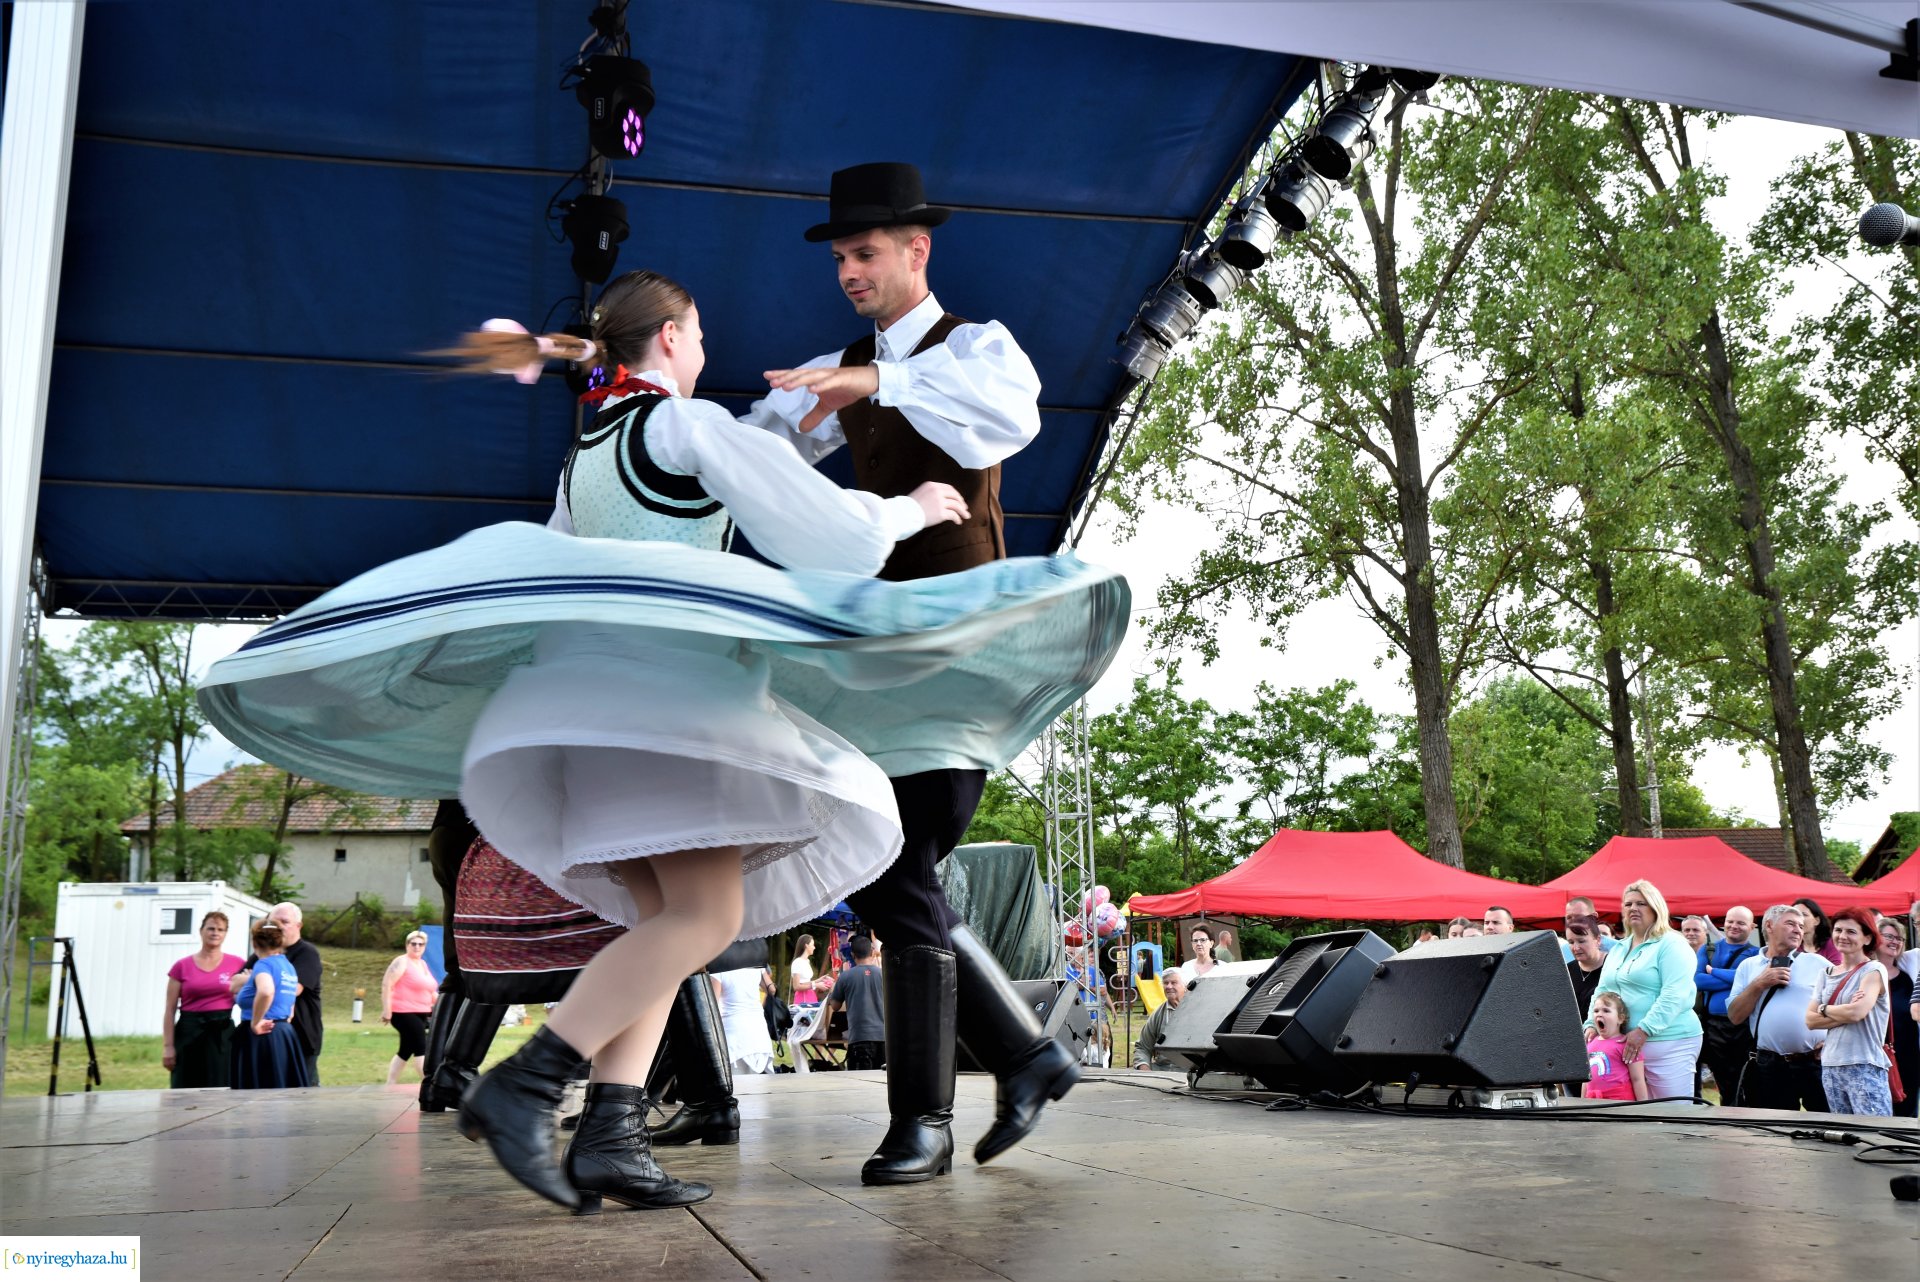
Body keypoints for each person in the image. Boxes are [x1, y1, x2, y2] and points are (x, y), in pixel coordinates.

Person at [198, 266, 1124, 1214]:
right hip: (668, 713)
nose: (707, 350)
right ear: (673, 337)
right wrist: (913, 508)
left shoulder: (586, 457)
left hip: (590, 720)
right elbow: (830, 537)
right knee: (705, 919)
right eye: (702, 335)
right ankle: (528, 1083)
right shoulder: (684, 426)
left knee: (659, 929)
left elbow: (564, 576)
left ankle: (611, 1130)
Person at [743, 161, 1090, 1183]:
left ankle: (938, 1114)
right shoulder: (839, 369)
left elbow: (1008, 416)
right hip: (881, 651)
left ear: (916, 250)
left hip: (962, 645)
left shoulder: (977, 351)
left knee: (896, 859)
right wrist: (656, 416)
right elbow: (752, 455)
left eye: (865, 253)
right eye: (840, 258)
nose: (848, 271)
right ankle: (1018, 1061)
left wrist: (881, 383)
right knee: (890, 866)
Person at [1583, 880, 1701, 1101]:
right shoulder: (1619, 948)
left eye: (1641, 903)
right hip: (1625, 1048)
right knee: (1633, 1113)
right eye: (1628, 904)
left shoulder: (1672, 944)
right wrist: (1591, 1023)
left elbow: (1674, 994)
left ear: (1656, 907)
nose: (1633, 908)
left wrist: (1644, 1030)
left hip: (1670, 1043)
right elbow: (1602, 991)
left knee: (1672, 1112)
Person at [1726, 904, 1827, 1111]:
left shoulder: (1817, 963)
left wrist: (1832, 1041)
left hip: (1814, 1063)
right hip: (1770, 1064)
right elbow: (1735, 1016)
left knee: (1827, 1122)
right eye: (1791, 924)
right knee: (1777, 1126)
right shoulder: (1748, 966)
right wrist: (1759, 983)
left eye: (1801, 926)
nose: (1798, 930)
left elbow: (1845, 1005)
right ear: (1770, 926)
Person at [1805, 906, 1892, 1116]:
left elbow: (1856, 1014)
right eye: (1838, 930)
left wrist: (1823, 1008)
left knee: (1874, 1129)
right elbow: (1810, 1020)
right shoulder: (1825, 973)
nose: (1842, 936)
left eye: (1851, 931)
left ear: (1867, 938)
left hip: (1864, 1063)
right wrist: (1844, 1011)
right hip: (1830, 1065)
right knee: (1844, 1130)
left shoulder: (1874, 969)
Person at [233, 902, 323, 1085]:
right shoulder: (261, 956)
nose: (279, 926)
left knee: (298, 1091)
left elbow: (292, 990)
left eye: (285, 921)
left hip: (300, 1035)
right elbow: (233, 984)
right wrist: (257, 979)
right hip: (264, 1036)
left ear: (298, 926)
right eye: (274, 921)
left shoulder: (306, 953)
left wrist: (253, 978)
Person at [162, 911, 243, 1088]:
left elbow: (251, 993)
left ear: (225, 934)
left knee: (222, 1086)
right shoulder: (181, 966)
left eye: (220, 929)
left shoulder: (237, 964)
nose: (215, 933)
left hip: (221, 1034)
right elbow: (169, 1010)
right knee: (185, 1086)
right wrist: (168, 1046)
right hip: (189, 1032)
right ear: (201, 931)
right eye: (211, 928)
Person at [1694, 905, 1759, 1105]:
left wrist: (1714, 972)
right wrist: (1738, 979)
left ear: (1752, 927)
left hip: (1744, 1027)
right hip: (1713, 1026)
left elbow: (1753, 978)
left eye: (1741, 923)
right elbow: (1697, 980)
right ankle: (1727, 1115)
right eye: (1730, 921)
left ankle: (1742, 1115)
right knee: (1723, 1079)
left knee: (1744, 1080)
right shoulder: (1709, 949)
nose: (1734, 926)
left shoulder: (1756, 953)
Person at [381, 931, 439, 1085]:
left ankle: (390, 1084)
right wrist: (387, 1010)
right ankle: (430, 1084)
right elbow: (387, 984)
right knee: (422, 1048)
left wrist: (442, 1003)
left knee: (405, 1050)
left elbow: (429, 990)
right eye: (413, 943)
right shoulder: (401, 962)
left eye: (421, 944)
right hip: (403, 1013)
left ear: (425, 947)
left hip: (422, 1012)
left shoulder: (422, 964)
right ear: (407, 945)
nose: (417, 947)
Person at [821, 935, 885, 1070]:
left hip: (859, 1038)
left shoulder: (845, 976)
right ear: (872, 952)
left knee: (860, 1080)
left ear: (852, 955)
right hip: (884, 1037)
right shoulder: (884, 975)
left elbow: (835, 1006)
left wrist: (832, 991)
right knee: (882, 1080)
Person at [1875, 915, 1915, 1118]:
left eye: (1899, 938)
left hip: (1907, 1058)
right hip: (1873, 1057)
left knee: (1906, 1118)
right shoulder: (1864, 974)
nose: (1895, 942)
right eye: (1889, 936)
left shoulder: (1907, 979)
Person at [711, 964, 777, 1077]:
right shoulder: (755, 964)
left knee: (735, 1082)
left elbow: (713, 1005)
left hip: (734, 1034)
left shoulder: (719, 967)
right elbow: (772, 989)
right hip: (758, 1031)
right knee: (757, 1083)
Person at [1584, 992, 1650, 1102]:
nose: (1599, 1014)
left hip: (1619, 1102)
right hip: (1593, 1102)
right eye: (1596, 1011)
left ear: (1620, 1019)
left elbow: (1637, 1079)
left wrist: (1642, 1106)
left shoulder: (1627, 1044)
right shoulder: (1590, 1043)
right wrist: (1582, 1102)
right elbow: (1586, 1078)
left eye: (1606, 1011)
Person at [1133, 968, 1186, 1070]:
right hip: (1163, 1069)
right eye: (1166, 983)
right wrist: (1145, 1070)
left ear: (1185, 986)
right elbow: (1142, 1047)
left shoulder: (1197, 1010)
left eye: (1174, 983)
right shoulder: (1158, 1014)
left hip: (1192, 1071)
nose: (1169, 986)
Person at [1565, 914, 1608, 1022]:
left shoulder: (1613, 965)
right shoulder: (1566, 970)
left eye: (1581, 941)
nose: (1575, 948)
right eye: (1571, 942)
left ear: (1598, 940)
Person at [1558, 896, 1616, 963]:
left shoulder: (1618, 949)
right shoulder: (1562, 952)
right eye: (1569, 917)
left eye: (1579, 917)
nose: (1573, 922)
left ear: (1594, 917)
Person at [1795, 897, 1840, 964]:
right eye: (1795, 915)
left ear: (1817, 921)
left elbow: (1836, 968)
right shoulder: (1793, 946)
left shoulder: (1831, 945)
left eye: (1804, 914)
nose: (1798, 919)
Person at [790, 935, 821, 1006]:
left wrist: (820, 980)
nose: (814, 947)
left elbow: (805, 982)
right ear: (806, 945)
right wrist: (816, 985)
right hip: (802, 998)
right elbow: (796, 986)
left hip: (810, 995)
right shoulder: (797, 962)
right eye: (812, 945)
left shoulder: (807, 961)